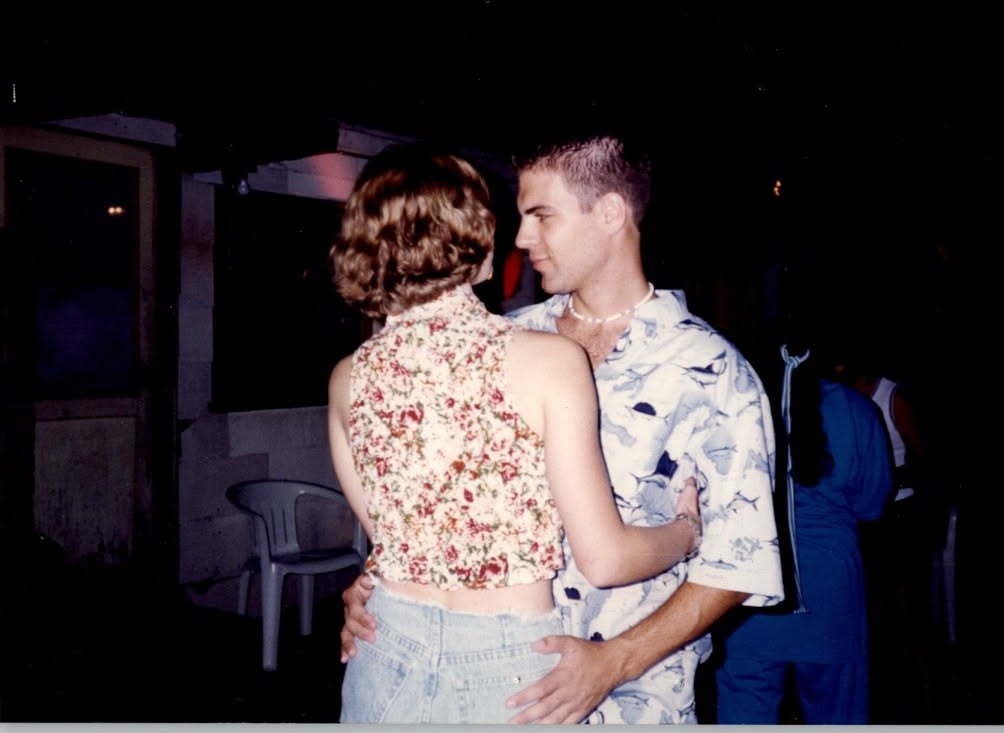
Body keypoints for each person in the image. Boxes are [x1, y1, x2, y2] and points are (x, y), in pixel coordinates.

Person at [340, 133, 784, 724]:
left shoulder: (712, 372)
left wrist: (614, 662)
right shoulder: (510, 341)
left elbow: (739, 565)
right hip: (496, 683)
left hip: (633, 699)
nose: (522, 237)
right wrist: (379, 591)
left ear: (610, 213)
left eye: (541, 215)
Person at [713, 321, 894, 723]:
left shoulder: (734, 409)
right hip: (830, 597)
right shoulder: (857, 410)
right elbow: (872, 505)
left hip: (749, 591)